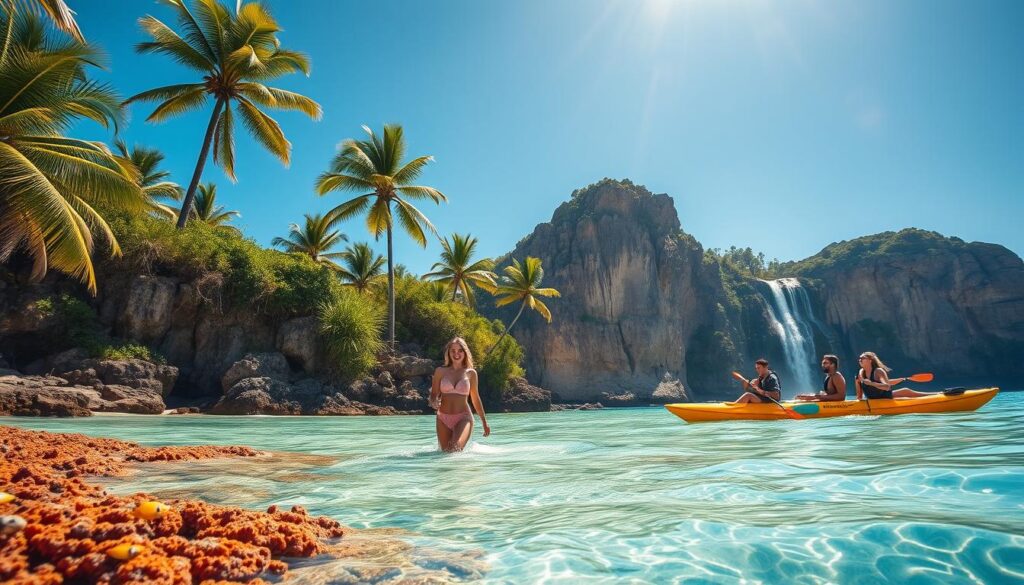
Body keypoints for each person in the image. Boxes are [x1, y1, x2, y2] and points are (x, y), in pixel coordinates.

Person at [429, 337, 491, 452]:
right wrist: (433, 402)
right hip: (442, 418)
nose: (456, 354)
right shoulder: (440, 371)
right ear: (449, 352)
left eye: (460, 350)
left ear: (465, 352)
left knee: (455, 449)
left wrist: (484, 422)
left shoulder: (471, 373)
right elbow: (433, 395)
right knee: (445, 454)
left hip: (464, 417)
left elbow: (475, 399)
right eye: (453, 350)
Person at [855, 351, 934, 399]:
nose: (860, 360)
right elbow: (859, 395)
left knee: (905, 391)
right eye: (859, 359)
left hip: (886, 397)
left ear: (870, 360)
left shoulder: (878, 371)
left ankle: (938, 394)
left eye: (862, 358)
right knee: (905, 391)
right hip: (874, 400)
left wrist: (871, 383)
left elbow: (887, 386)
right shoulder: (860, 373)